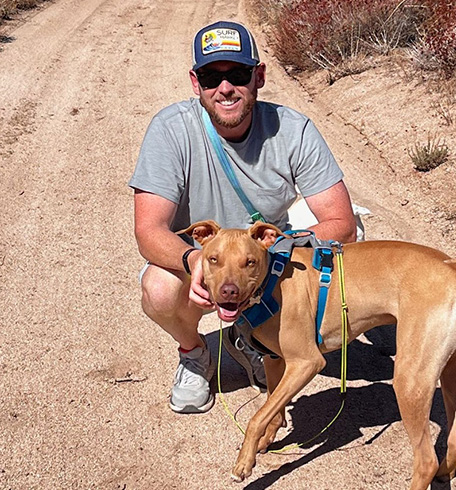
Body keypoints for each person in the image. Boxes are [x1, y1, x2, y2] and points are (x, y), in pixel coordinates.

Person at [129, 20, 357, 414]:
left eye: (237, 74)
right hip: (206, 260)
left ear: (259, 76)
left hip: (267, 252)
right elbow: (149, 231)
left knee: (346, 261)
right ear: (194, 82)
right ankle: (194, 353)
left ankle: (258, 340)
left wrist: (274, 254)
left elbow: (342, 223)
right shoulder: (170, 130)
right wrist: (196, 260)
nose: (225, 88)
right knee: (159, 288)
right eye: (210, 77)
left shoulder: (294, 130)